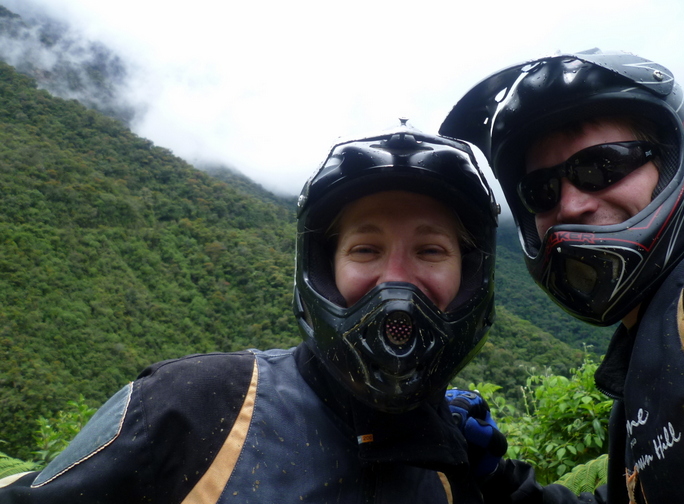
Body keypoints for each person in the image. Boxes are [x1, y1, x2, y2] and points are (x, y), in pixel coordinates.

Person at [0, 121, 503, 503]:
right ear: (323, 269)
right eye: (365, 250)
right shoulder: (192, 407)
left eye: (431, 251)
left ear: (469, 276)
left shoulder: (455, 461)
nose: (396, 281)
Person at [439, 49, 684, 503]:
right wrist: (493, 477)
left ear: (672, 163)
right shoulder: (646, 357)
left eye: (601, 166)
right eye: (540, 191)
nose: (571, 205)